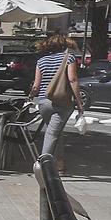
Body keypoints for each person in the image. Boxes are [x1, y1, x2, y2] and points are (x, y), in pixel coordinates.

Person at [31, 33, 85, 170]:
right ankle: (43, 166)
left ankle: (59, 164)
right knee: (52, 134)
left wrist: (30, 96)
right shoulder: (69, 58)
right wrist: (79, 103)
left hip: (43, 102)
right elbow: (72, 80)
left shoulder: (41, 61)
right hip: (62, 102)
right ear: (64, 46)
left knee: (56, 132)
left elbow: (36, 86)